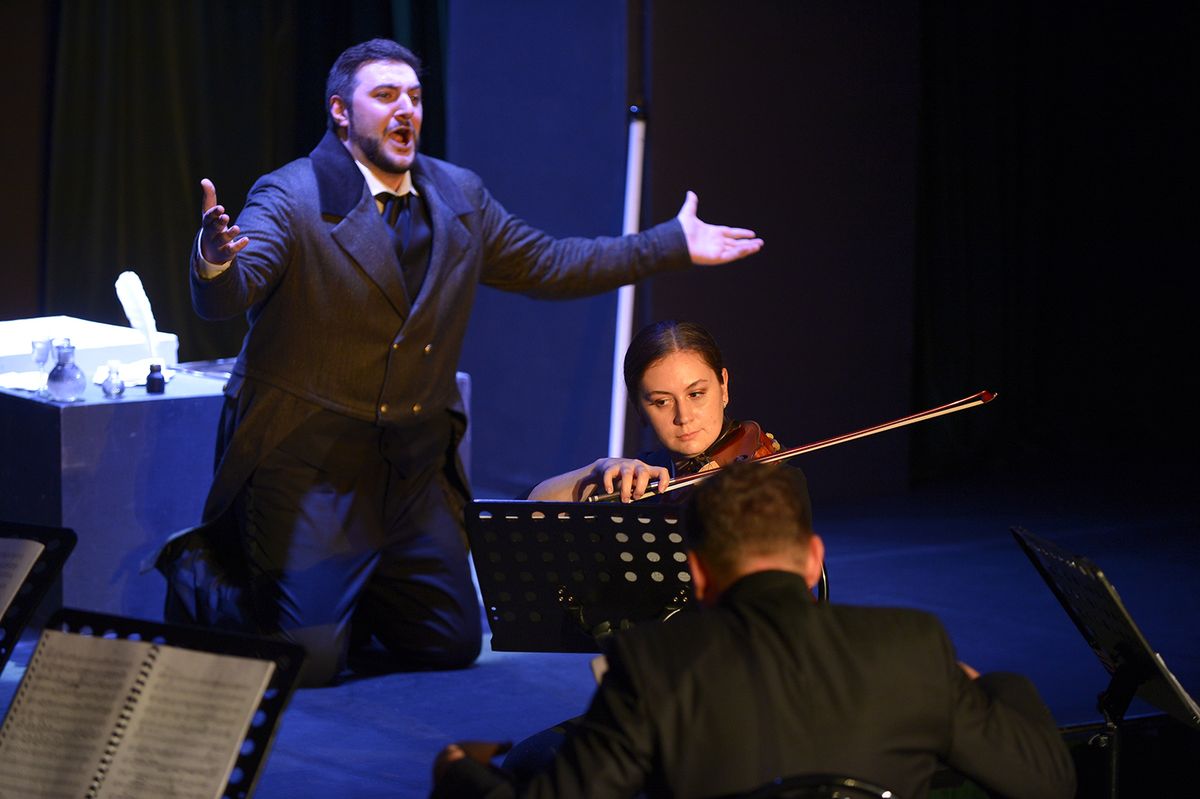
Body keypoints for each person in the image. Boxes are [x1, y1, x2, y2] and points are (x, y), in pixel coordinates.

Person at [154, 39, 764, 688]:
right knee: (308, 665)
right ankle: (206, 579)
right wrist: (213, 260)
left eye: (415, 97)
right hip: (312, 458)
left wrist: (670, 243)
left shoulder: (457, 194)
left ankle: (344, 593)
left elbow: (551, 263)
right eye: (385, 95)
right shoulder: (293, 194)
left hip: (410, 465)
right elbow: (232, 288)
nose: (406, 109)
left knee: (449, 642)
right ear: (340, 111)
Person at [431, 462, 1077, 799]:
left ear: (697, 573)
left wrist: (459, 774)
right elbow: (1050, 781)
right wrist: (990, 686)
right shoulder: (914, 648)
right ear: (814, 559)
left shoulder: (652, 665)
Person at [528, 320, 781, 503]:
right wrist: (595, 471)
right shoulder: (638, 478)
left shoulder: (773, 477)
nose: (683, 417)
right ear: (639, 407)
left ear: (723, 386)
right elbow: (533, 509)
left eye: (695, 394)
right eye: (662, 402)